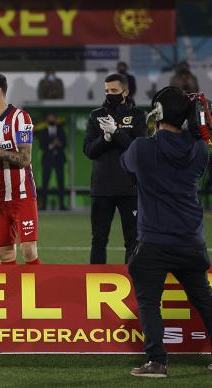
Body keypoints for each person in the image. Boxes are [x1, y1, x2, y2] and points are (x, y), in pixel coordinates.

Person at [121, 85, 212, 378]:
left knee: (149, 301)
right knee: (205, 299)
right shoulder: (199, 147)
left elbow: (128, 165)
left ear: (158, 113)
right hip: (191, 239)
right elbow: (194, 143)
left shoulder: (141, 147)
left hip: (154, 241)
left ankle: (157, 361)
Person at [0, 73, 41, 265]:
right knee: (5, 254)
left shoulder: (22, 118)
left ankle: (38, 293)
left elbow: (25, 159)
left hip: (23, 196)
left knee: (29, 252)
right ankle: (13, 295)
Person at [83, 73, 146, 264]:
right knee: (98, 240)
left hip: (129, 187)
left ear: (125, 92)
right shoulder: (96, 115)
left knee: (133, 240)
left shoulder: (137, 115)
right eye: (107, 91)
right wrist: (106, 138)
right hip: (102, 188)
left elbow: (138, 149)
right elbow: (89, 151)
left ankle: (133, 284)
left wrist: (116, 133)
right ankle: (95, 285)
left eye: (114, 91)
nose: (110, 94)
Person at [36, 112, 67, 210]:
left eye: (53, 118)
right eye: (49, 118)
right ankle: (43, 205)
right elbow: (41, 145)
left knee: (60, 182)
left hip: (59, 160)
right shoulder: (43, 131)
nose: (51, 120)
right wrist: (52, 145)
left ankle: (62, 205)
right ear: (47, 120)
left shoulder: (61, 130)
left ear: (55, 119)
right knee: (45, 182)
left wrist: (59, 144)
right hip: (47, 160)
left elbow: (65, 143)